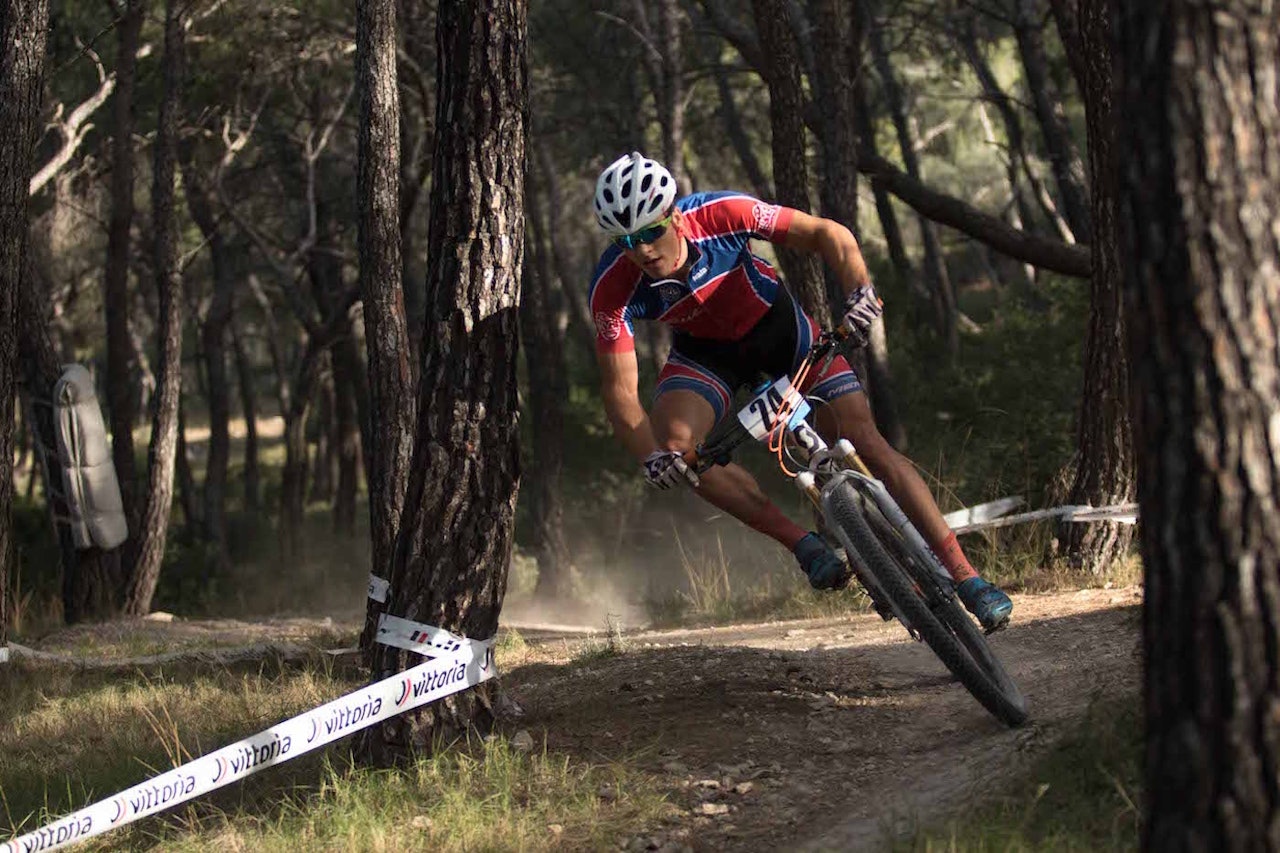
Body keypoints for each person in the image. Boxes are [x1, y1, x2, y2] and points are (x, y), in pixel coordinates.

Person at [588, 152, 1013, 631]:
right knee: (676, 451)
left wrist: (859, 293)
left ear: (676, 217)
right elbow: (621, 391)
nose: (641, 250)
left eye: (649, 232)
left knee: (865, 441)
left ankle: (966, 576)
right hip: (708, 359)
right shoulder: (611, 286)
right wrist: (650, 456)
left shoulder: (722, 215)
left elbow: (827, 234)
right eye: (625, 241)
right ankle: (802, 544)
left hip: (780, 332)